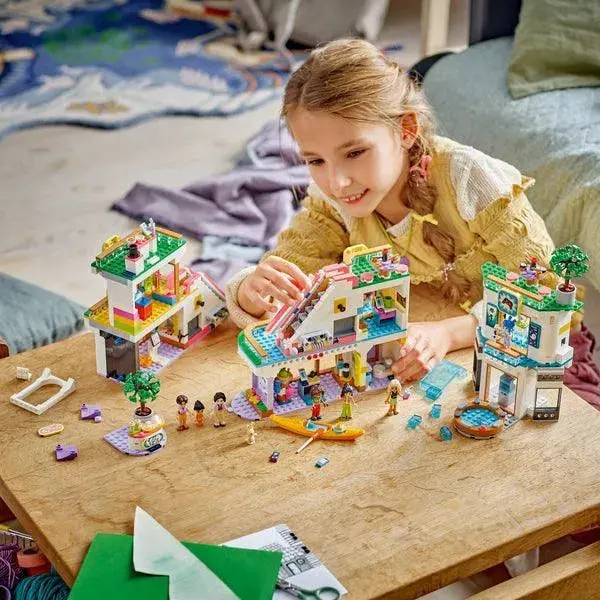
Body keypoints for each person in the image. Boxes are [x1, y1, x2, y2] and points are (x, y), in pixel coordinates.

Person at [224, 38, 576, 385]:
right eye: (316, 161)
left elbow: (547, 297)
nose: (337, 182)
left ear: (406, 130)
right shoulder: (331, 203)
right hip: (414, 356)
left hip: (514, 356)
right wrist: (250, 291)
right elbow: (288, 281)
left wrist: (450, 333)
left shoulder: (471, 179)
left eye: (354, 153)